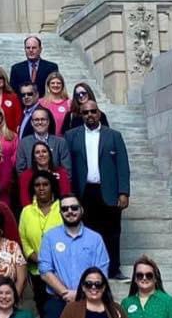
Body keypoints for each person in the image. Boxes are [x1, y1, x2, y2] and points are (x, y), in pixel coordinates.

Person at [66, 100, 131, 280]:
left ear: (99, 113)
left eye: (93, 111)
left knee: (112, 231)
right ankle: (88, 269)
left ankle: (113, 268)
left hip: (108, 190)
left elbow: (122, 166)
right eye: (86, 112)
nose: (90, 115)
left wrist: (123, 192)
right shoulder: (72, 136)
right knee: (85, 232)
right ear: (81, 115)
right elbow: (68, 166)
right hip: (84, 192)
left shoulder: (114, 136)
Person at [37, 196, 110, 318]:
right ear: (60, 213)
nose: (69, 211)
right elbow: (44, 270)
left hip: (89, 300)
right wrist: (65, 293)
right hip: (57, 301)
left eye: (74, 207)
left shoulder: (95, 239)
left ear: (81, 210)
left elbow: (102, 271)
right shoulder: (50, 237)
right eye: (65, 209)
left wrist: (80, 293)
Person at [17, 170, 62, 318]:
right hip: (36, 272)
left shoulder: (63, 208)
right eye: (37, 185)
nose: (41, 188)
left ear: (52, 186)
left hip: (60, 272)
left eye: (45, 184)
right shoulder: (26, 211)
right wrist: (40, 260)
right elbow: (23, 240)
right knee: (43, 313)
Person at [15, 106, 71, 176]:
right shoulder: (24, 143)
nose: (40, 122)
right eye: (36, 120)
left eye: (43, 119)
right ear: (32, 123)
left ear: (48, 122)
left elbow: (67, 172)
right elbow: (20, 171)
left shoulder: (60, 143)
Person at [18, 142, 72, 208]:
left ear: (49, 155)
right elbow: (25, 199)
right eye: (37, 152)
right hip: (33, 212)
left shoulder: (61, 173)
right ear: (34, 157)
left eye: (44, 151)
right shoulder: (25, 176)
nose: (41, 154)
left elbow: (65, 196)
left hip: (58, 211)